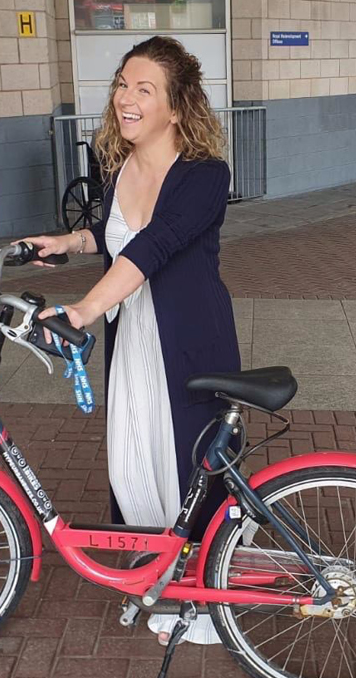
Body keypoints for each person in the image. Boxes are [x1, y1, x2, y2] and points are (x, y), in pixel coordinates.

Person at [23, 36, 237, 646]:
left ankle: (204, 591)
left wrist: (86, 306)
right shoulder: (118, 170)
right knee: (134, 459)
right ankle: (159, 575)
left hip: (188, 344)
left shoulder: (204, 176)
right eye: (122, 84)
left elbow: (153, 245)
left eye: (145, 89)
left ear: (177, 107)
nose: (127, 98)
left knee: (188, 467)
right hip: (133, 343)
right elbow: (111, 233)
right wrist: (69, 243)